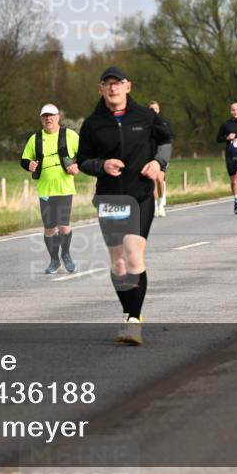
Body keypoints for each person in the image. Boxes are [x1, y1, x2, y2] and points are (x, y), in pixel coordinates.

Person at [77, 67, 172, 345]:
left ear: (128, 86)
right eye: (107, 84)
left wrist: (158, 163)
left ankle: (133, 320)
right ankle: (128, 312)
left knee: (133, 255)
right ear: (100, 89)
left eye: (117, 83)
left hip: (140, 195)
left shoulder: (146, 116)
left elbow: (166, 140)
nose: (113, 88)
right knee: (118, 264)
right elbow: (82, 160)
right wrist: (101, 165)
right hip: (110, 198)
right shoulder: (93, 124)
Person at [21, 103, 80, 274]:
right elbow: (24, 160)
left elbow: (85, 154)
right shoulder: (36, 139)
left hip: (64, 188)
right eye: (45, 116)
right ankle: (54, 260)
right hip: (45, 189)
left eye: (51, 115)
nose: (48, 118)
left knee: (63, 226)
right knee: (49, 228)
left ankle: (66, 255)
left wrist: (77, 166)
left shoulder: (69, 135)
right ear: (41, 119)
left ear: (58, 117)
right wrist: (29, 165)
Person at [216, 102, 237, 216]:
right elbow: (218, 139)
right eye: (233, 110)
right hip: (230, 154)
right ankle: (235, 198)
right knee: (233, 180)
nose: (235, 112)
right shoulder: (226, 125)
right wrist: (227, 137)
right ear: (231, 111)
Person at [148, 101, 175, 217]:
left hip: (161, 153)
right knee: (152, 180)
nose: (154, 110)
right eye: (151, 108)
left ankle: (160, 204)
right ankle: (154, 206)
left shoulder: (165, 122)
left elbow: (171, 136)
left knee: (160, 179)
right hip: (149, 152)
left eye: (156, 108)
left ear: (159, 110)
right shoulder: (144, 123)